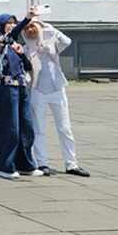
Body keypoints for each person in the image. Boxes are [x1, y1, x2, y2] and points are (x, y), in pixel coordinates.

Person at [25, 20, 90, 177]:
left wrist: (49, 27)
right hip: (37, 90)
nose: (30, 29)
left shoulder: (52, 43)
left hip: (57, 89)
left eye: (34, 26)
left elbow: (67, 41)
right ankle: (42, 163)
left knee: (65, 127)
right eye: (27, 27)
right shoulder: (27, 48)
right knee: (39, 128)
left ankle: (71, 163)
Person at [0, 9, 40, 180]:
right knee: (10, 128)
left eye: (13, 22)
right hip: (5, 87)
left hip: (21, 86)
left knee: (26, 127)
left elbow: (26, 66)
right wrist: (27, 19)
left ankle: (25, 163)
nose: (11, 26)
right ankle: (5, 165)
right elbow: (11, 35)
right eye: (8, 23)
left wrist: (21, 54)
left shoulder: (15, 45)